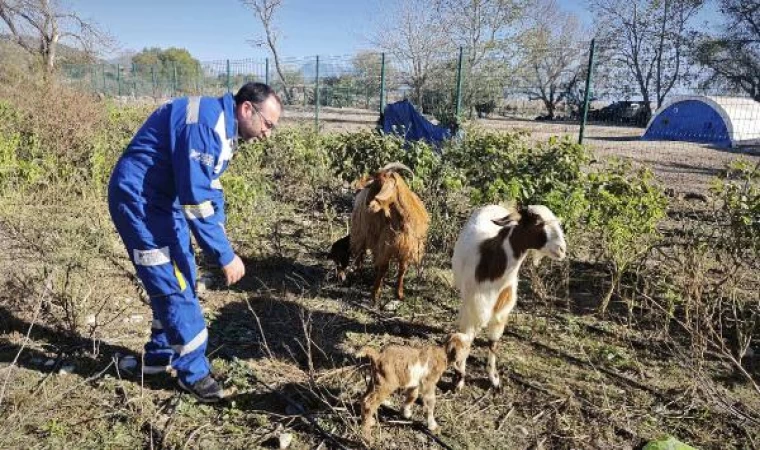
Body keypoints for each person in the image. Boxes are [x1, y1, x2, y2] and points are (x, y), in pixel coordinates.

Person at [107, 82, 282, 402]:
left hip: (163, 203)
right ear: (247, 109)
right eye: (267, 125)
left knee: (182, 272)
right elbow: (197, 199)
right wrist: (225, 255)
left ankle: (159, 357)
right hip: (139, 204)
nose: (267, 134)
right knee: (172, 282)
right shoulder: (206, 124)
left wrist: (222, 237)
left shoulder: (220, 124)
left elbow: (209, 188)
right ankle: (194, 373)